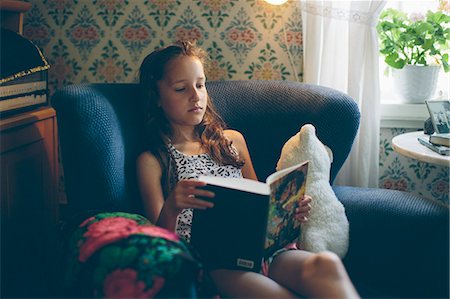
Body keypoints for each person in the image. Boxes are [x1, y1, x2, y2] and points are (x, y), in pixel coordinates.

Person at [136, 40, 360, 299]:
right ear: (157, 98)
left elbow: (258, 200)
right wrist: (173, 206)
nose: (195, 96)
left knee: (326, 264)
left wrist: (287, 210)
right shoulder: (153, 159)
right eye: (180, 89)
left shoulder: (232, 141)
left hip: (260, 250)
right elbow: (156, 243)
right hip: (214, 262)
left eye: (200, 85)